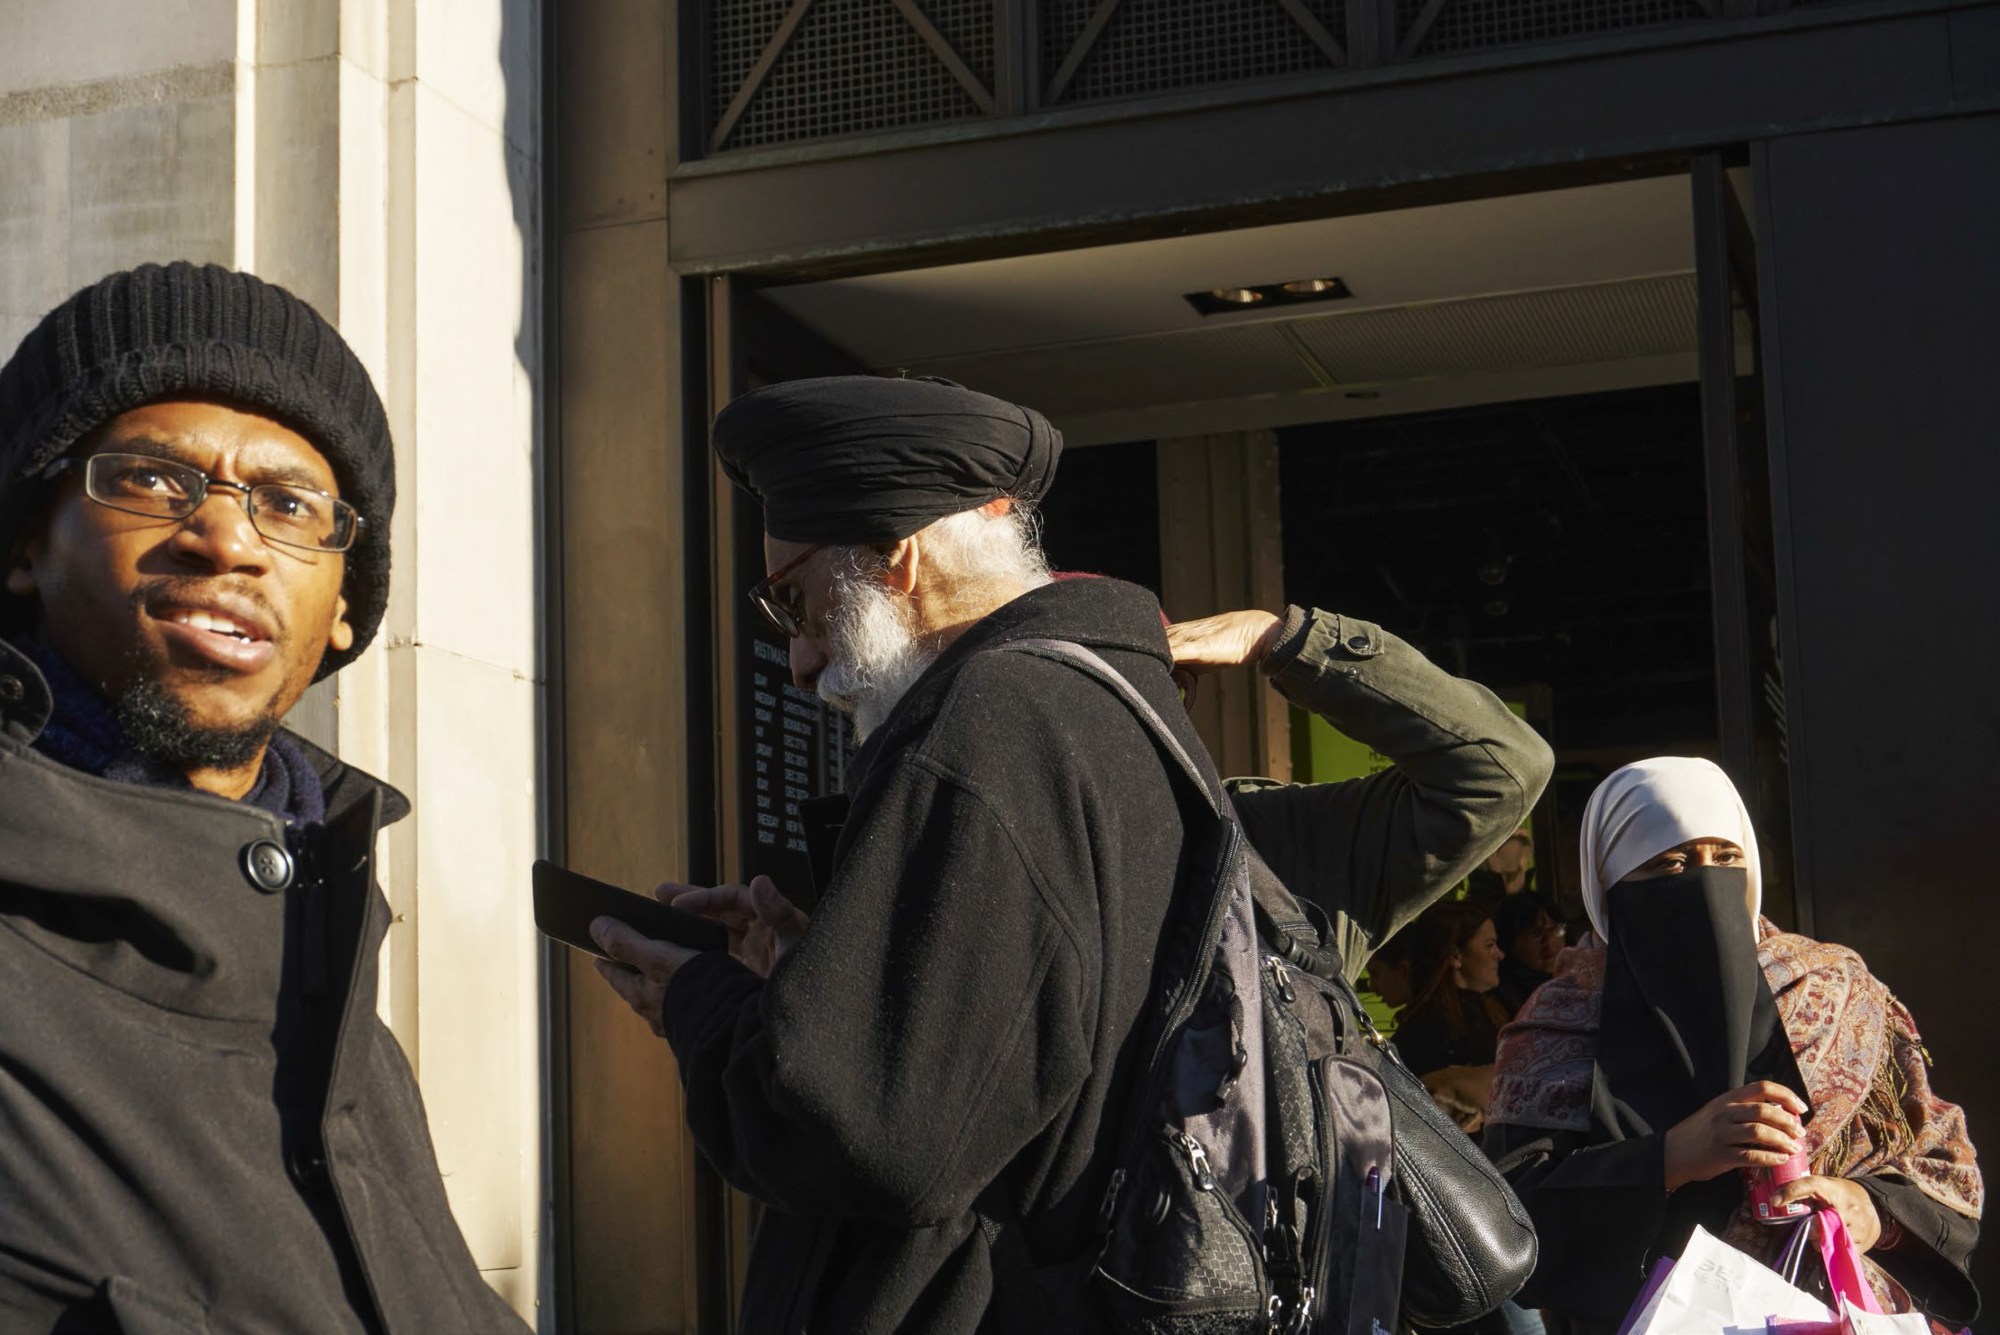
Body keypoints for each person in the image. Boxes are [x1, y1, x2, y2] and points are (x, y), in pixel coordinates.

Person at [586, 374, 1553, 1331]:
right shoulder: (1092, 718)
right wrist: (819, 970)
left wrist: (704, 1008)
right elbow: (1016, 1058)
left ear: (902, 560)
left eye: (794, 603)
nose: (798, 657)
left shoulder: (989, 725)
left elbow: (867, 1136)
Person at [0, 263, 528, 1333]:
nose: (228, 538)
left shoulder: (325, 944)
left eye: (291, 505)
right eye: (149, 478)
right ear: (24, 543)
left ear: (344, 608)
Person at [1486, 757, 1982, 1333]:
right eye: (1670, 863)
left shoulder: (1836, 990)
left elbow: (1943, 1161)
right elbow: (1504, 1225)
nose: (1706, 882)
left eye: (1726, 858)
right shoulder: (1554, 1027)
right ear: (1609, 882)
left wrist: (1870, 1209)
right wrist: (1669, 1158)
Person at [1394, 901, 1511, 1131]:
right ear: (1456, 955)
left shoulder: (1490, 1012)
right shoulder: (1437, 1028)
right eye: (1489, 945)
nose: (1500, 954)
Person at [1492, 889, 1563, 1013]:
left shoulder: (1582, 978)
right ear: (1509, 942)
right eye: (1536, 934)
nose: (1548, 941)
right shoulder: (1501, 998)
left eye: (1555, 930)